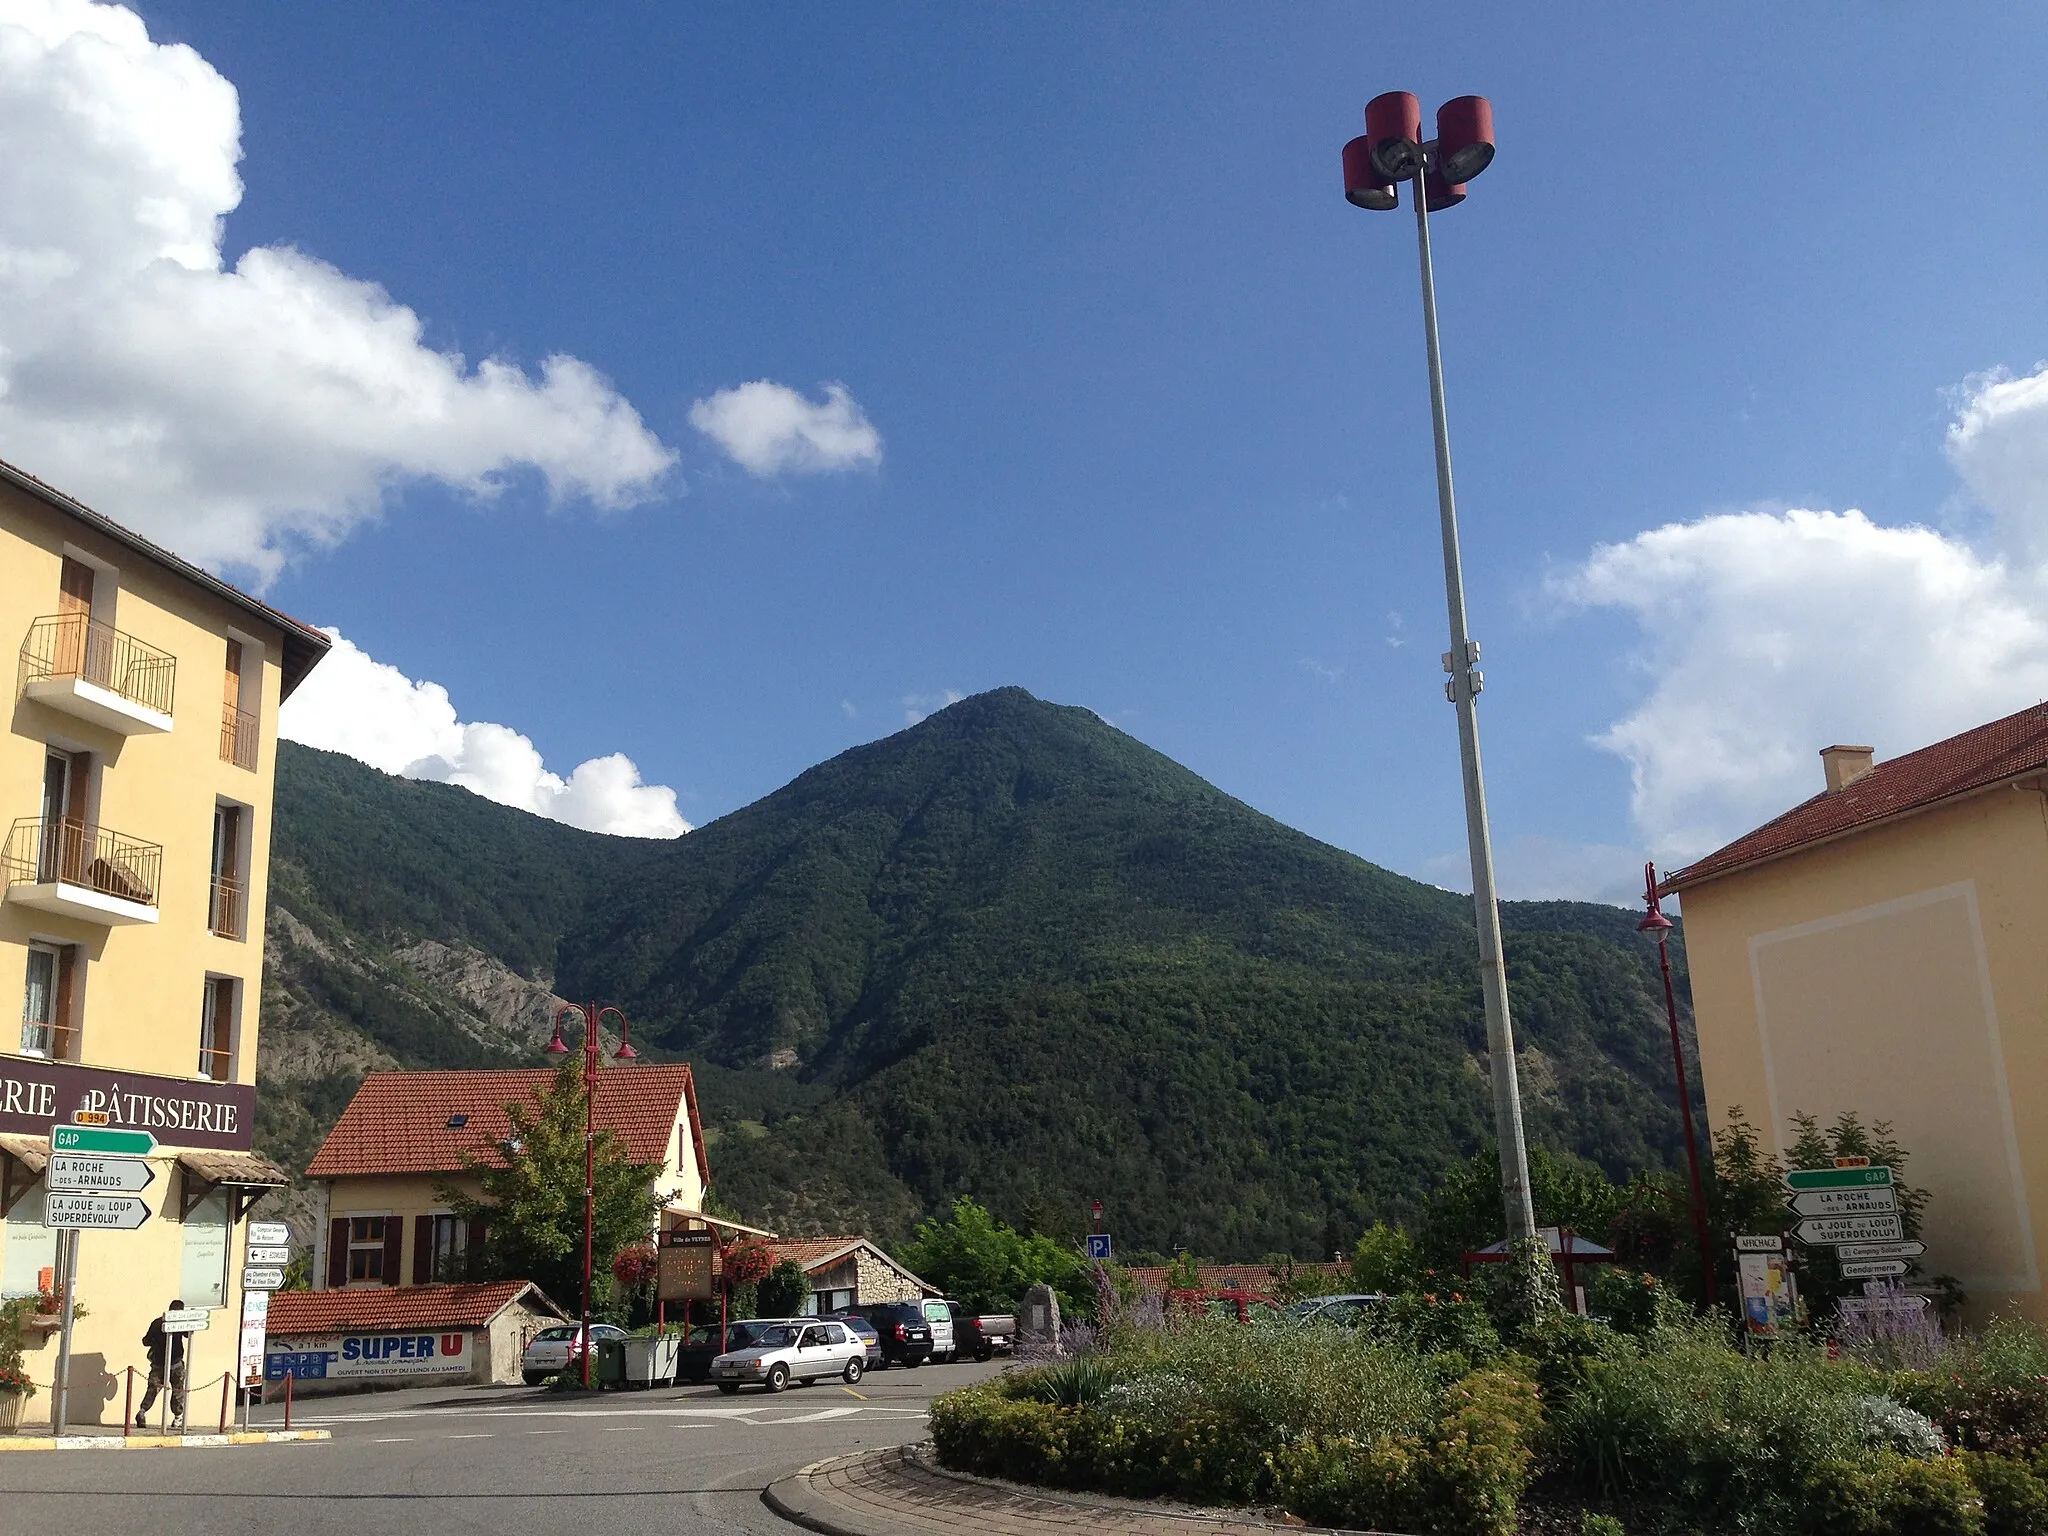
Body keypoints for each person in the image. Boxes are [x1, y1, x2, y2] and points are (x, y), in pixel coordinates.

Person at [136, 1300, 188, 1430]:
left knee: (153, 1389)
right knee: (177, 1390)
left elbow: (145, 1341)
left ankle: (143, 1411)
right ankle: (178, 1417)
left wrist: (156, 1342)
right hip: (175, 1362)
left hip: (158, 1362)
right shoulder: (180, 1324)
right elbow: (188, 1334)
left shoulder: (157, 1322)